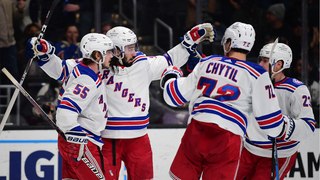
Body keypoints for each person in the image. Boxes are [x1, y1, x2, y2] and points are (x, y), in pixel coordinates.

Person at [30, 24, 214, 179]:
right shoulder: (97, 65)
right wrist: (46, 55)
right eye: (129, 48)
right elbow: (61, 70)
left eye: (134, 46)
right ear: (114, 50)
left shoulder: (143, 63)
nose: (134, 51)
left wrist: (189, 41)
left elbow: (169, 59)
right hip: (108, 139)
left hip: (139, 138)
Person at [160, 22, 286, 179]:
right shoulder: (258, 73)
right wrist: (285, 128)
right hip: (228, 138)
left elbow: (173, 96)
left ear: (229, 42)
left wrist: (171, 76)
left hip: (197, 131)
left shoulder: (207, 62)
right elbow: (272, 124)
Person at [26, 33, 115, 179]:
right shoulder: (87, 79)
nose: (112, 55)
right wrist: (78, 140)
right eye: (109, 52)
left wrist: (44, 51)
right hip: (83, 142)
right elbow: (65, 113)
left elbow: (57, 68)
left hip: (71, 142)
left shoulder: (79, 67)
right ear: (98, 55)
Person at [236, 43, 316, 180]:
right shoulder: (251, 83)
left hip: (278, 154)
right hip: (249, 149)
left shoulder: (296, 89)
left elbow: (309, 126)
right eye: (260, 59)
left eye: (265, 61)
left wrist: (283, 126)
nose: (260, 64)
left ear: (279, 64)